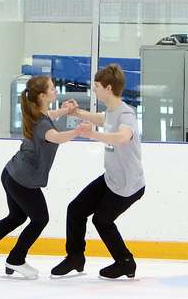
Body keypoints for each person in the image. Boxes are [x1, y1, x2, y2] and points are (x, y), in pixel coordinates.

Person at [0, 75, 88, 279]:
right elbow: (55, 137)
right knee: (40, 219)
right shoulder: (41, 123)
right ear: (42, 95)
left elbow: (49, 116)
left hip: (12, 174)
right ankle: (16, 260)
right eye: (52, 88)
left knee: (16, 217)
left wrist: (65, 111)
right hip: (22, 180)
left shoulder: (37, 113)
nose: (55, 90)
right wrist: (77, 131)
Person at [51, 63, 145, 280]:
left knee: (102, 220)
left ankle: (125, 263)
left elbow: (123, 136)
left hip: (128, 185)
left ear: (109, 88)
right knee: (75, 209)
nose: (94, 89)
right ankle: (75, 258)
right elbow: (102, 119)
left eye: (97, 86)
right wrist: (76, 111)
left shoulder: (126, 114)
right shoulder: (112, 112)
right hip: (111, 179)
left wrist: (93, 135)